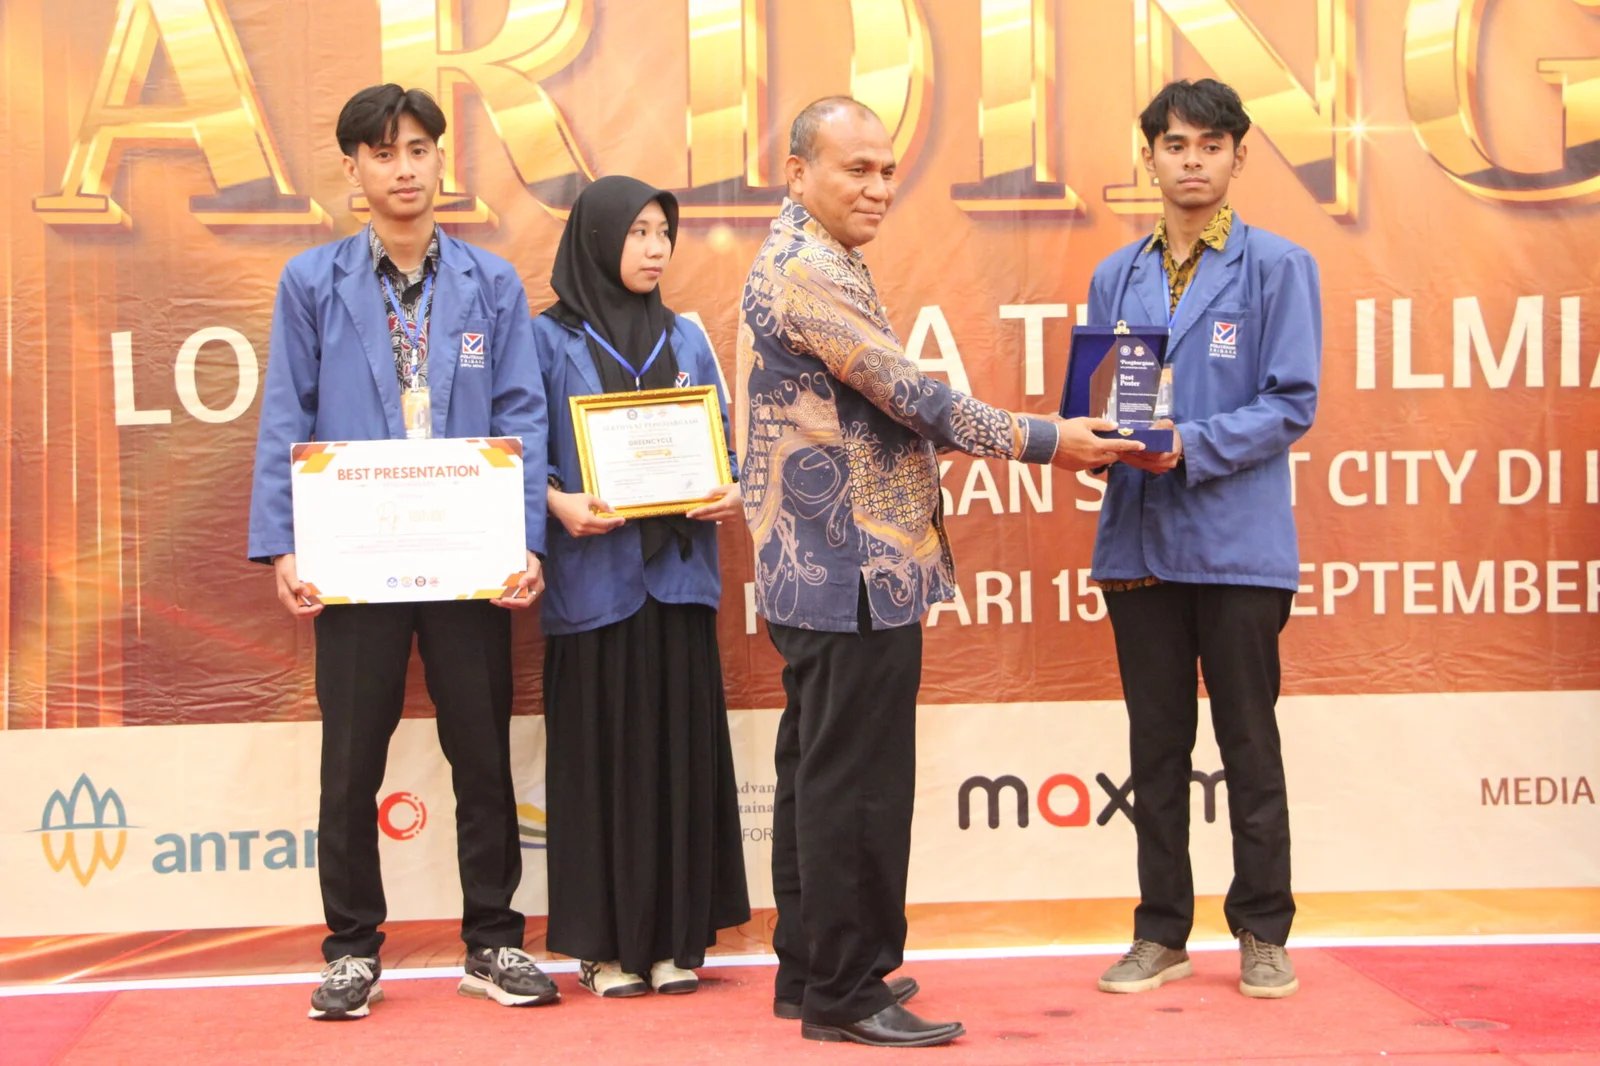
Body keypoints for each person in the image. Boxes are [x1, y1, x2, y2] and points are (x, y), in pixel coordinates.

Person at [736, 96, 1142, 1048]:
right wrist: (1050, 440)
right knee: (856, 787)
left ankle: (813, 971)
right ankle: (847, 991)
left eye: (887, 170)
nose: (879, 187)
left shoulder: (814, 256)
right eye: (856, 169)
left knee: (816, 774)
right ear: (797, 172)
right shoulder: (805, 269)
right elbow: (914, 396)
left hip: (829, 566)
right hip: (849, 567)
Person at [247, 84, 558, 1020]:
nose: (404, 168)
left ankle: (492, 941)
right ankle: (351, 950)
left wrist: (524, 540)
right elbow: (287, 414)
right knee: (350, 762)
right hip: (354, 558)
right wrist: (282, 548)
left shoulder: (490, 283)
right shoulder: (312, 282)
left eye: (419, 148)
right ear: (354, 168)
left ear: (440, 160)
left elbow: (522, 414)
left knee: (482, 753)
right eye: (383, 152)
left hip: (468, 557)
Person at [1085, 78, 1320, 1000]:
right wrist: (1099, 440)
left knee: (1249, 743)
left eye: (1211, 145)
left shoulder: (1278, 265)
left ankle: (1264, 929)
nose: (1192, 161)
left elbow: (1292, 403)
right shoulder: (1116, 274)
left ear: (1238, 156)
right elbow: (1108, 396)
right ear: (1149, 156)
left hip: (1237, 544)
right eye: (1175, 145)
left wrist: (1188, 445)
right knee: (1155, 750)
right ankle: (1161, 932)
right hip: (1137, 542)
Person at [533, 176, 751, 999]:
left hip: (679, 584)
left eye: (664, 232)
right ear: (596, 239)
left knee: (676, 763)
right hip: (595, 585)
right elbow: (520, 449)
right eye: (638, 233)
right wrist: (555, 502)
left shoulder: (686, 336)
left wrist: (732, 486)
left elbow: (724, 440)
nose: (657, 249)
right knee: (602, 766)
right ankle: (605, 949)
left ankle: (673, 941)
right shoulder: (546, 339)